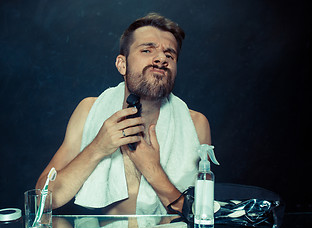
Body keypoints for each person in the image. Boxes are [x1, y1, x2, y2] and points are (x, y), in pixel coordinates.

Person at [36, 13, 211, 215]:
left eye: (170, 55)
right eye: (147, 50)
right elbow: (43, 199)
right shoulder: (88, 111)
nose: (162, 58)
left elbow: (204, 215)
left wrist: (153, 171)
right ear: (122, 64)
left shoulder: (196, 124)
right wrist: (98, 147)